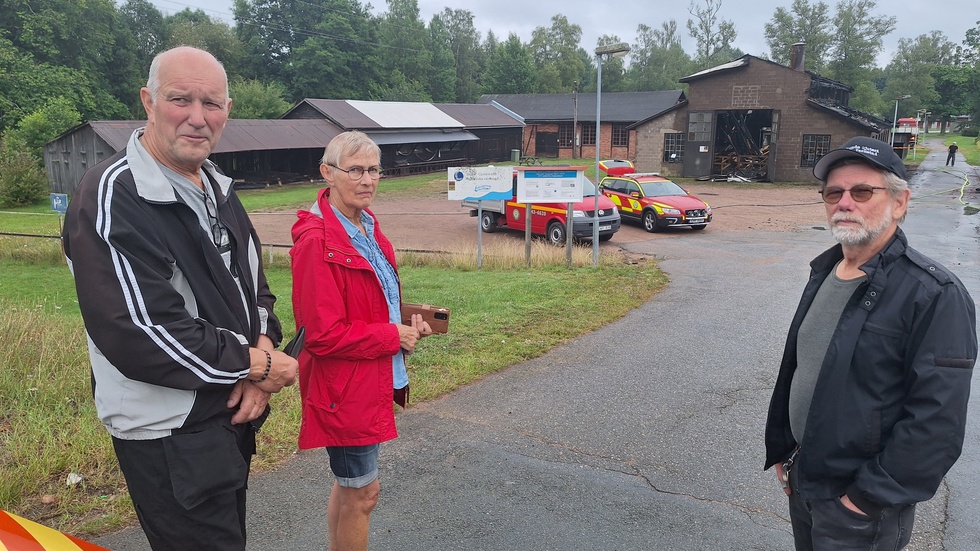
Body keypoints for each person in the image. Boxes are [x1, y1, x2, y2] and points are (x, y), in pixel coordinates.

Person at [62, 46, 298, 551]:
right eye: (180, 100)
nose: (197, 118)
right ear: (148, 101)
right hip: (168, 428)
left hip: (229, 409)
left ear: (228, 110)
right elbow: (141, 332)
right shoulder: (115, 195)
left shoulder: (214, 184)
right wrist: (256, 365)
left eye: (211, 103)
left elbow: (255, 288)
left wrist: (262, 358)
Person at [764, 136, 976, 550]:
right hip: (805, 480)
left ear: (899, 203)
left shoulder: (933, 294)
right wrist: (786, 450)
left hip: (861, 505)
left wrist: (863, 499)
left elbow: (937, 422)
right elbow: (803, 370)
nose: (845, 203)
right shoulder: (826, 271)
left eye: (862, 191)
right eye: (834, 193)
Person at [290, 131, 431, 551]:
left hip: (367, 379)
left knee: (350, 486)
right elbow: (322, 334)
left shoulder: (365, 226)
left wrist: (407, 323)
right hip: (345, 389)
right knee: (363, 494)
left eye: (373, 170)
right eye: (355, 170)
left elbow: (372, 302)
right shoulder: (319, 242)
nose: (367, 179)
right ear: (328, 173)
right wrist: (392, 335)